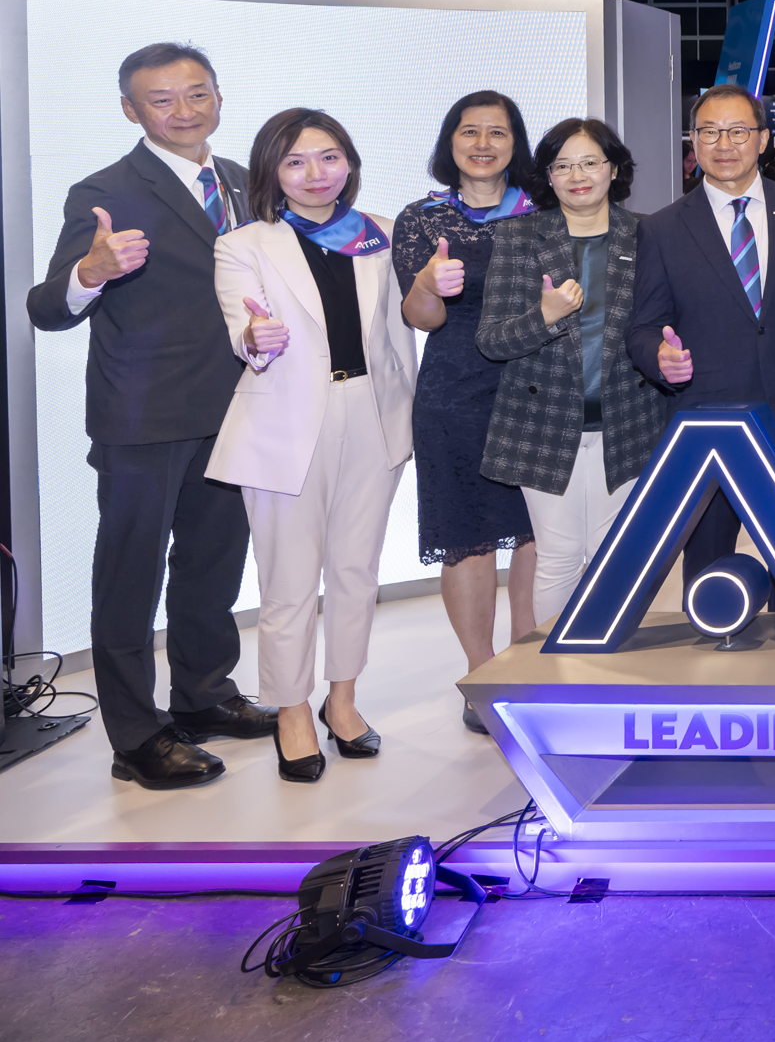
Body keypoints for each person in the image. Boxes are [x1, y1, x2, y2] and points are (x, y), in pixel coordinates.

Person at [26, 44, 273, 789]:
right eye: (161, 100)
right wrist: (90, 272)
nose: (184, 110)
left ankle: (203, 696)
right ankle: (135, 736)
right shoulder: (105, 191)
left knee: (212, 564)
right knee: (129, 576)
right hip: (143, 416)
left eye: (197, 93)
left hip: (236, 404)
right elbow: (46, 307)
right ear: (131, 110)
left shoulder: (245, 182)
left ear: (219, 97)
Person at [206, 110, 418, 782]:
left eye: (329, 157)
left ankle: (342, 700)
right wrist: (255, 340)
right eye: (296, 161)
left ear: (349, 162)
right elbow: (243, 328)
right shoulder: (244, 244)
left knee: (357, 570)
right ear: (272, 171)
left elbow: (404, 327)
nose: (315, 173)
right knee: (289, 581)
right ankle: (292, 710)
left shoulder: (381, 233)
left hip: (374, 414)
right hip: (285, 425)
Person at [478, 119, 668, 640]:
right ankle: (558, 668)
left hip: (629, 422)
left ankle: (609, 658)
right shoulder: (517, 236)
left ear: (614, 169)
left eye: (589, 163)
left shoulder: (648, 234)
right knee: (559, 555)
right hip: (542, 424)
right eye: (562, 165)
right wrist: (544, 316)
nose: (577, 176)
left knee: (614, 554)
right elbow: (491, 341)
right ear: (547, 176)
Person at [626, 85, 775, 592]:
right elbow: (643, 327)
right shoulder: (662, 228)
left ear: (763, 139)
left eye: (738, 131)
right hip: (706, 419)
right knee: (708, 573)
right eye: (710, 132)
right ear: (693, 141)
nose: (724, 144)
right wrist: (659, 358)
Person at [393, 92, 539, 729]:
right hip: (453, 394)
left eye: (497, 132)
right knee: (467, 537)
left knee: (538, 534)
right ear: (449, 141)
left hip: (537, 387)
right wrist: (429, 285)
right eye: (469, 131)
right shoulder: (421, 218)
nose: (483, 144)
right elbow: (421, 318)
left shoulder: (546, 210)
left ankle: (530, 664)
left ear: (516, 143)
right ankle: (482, 676)